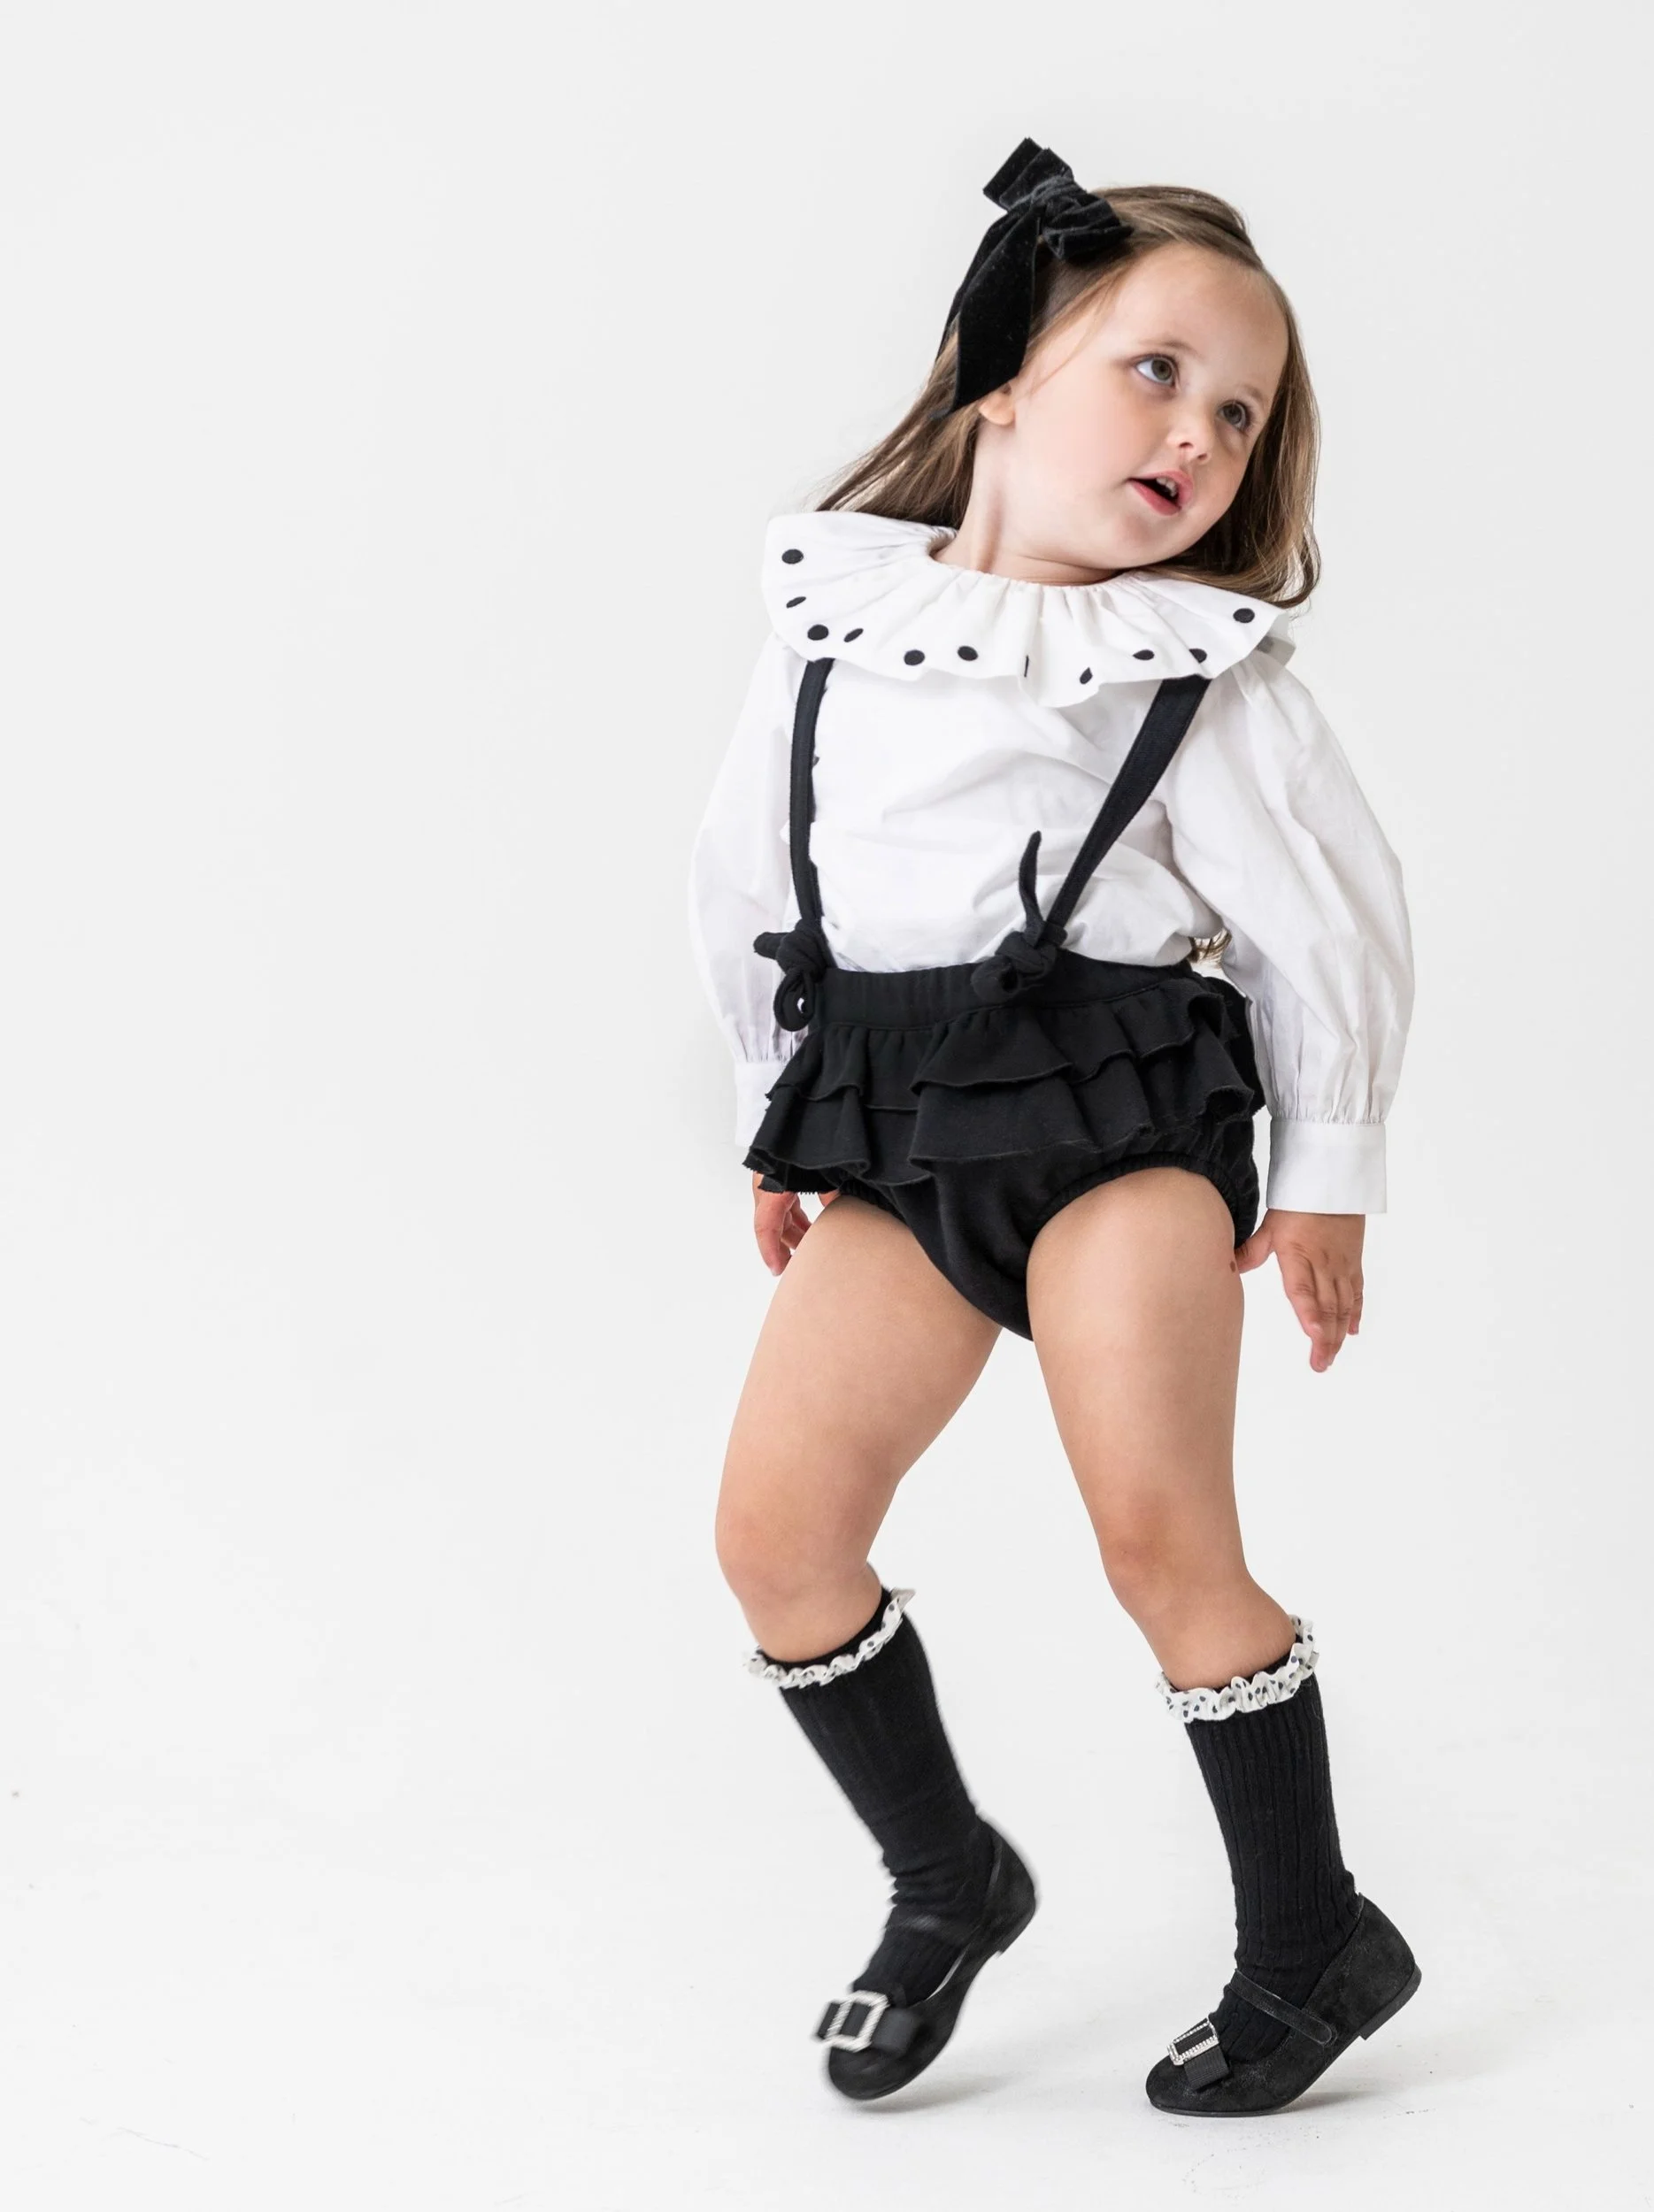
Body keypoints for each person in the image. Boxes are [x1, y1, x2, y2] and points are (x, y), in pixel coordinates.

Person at [687, 137, 1419, 2116]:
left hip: (1120, 1120)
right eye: (1157, 370)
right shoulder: (828, 623)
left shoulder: (1192, 671)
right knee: (776, 1537)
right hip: (895, 1117)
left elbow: (1331, 920)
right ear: (1005, 371)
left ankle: (1312, 1934)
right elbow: (752, 871)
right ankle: (950, 1877)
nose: (1200, 432)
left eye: (1241, 411)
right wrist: (777, 1109)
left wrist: (1327, 1173)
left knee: (1159, 1533)